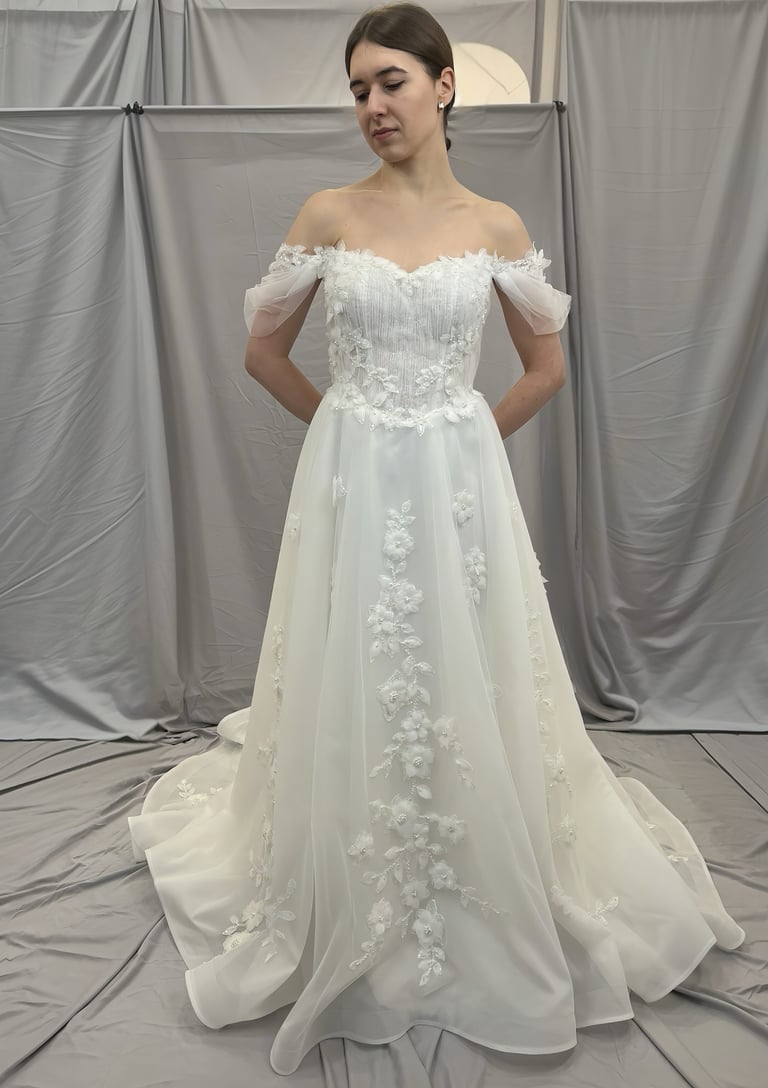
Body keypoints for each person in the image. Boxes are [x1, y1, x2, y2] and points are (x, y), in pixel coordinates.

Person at [128, 2, 745, 1076]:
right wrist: (347, 428)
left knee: (468, 662)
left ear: (445, 86)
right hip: (353, 480)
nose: (372, 105)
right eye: (359, 89)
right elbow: (261, 351)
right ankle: (351, 870)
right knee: (357, 658)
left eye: (391, 84)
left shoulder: (497, 226)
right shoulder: (328, 212)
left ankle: (472, 858)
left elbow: (545, 368)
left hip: (460, 490)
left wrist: (466, 435)